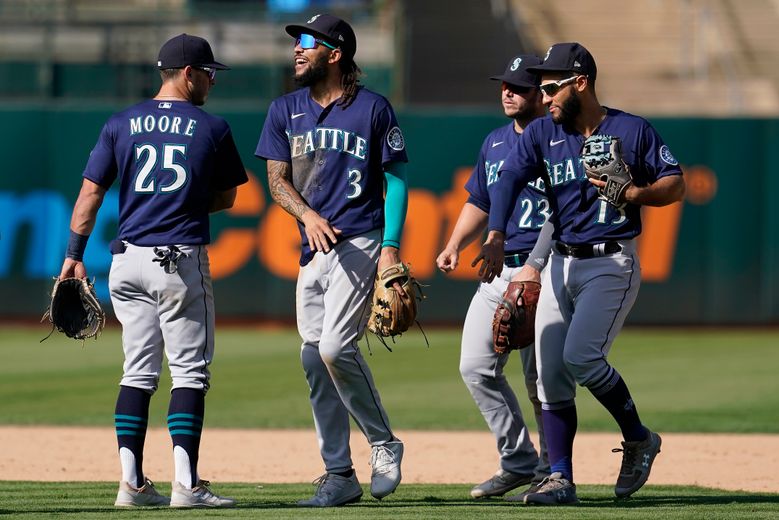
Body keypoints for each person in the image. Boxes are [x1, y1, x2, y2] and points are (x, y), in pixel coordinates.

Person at [477, 42, 685, 505]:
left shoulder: (630, 129)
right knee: (550, 374)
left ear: (581, 83)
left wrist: (634, 193)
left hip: (611, 262)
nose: (544, 96)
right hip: (560, 261)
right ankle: (560, 479)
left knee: (582, 358)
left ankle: (638, 438)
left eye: (551, 87)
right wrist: (495, 234)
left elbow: (676, 184)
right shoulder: (542, 135)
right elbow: (508, 177)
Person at [58, 33, 248, 508]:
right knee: (188, 373)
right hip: (178, 261)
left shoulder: (120, 123)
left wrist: (72, 256)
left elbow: (89, 196)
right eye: (208, 72)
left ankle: (132, 484)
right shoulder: (212, 127)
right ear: (187, 74)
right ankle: (187, 484)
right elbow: (227, 197)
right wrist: (183, 202)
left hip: (126, 261)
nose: (211, 80)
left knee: (137, 373)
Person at [255, 13, 409, 507]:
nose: (297, 49)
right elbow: (277, 180)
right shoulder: (285, 109)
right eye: (296, 42)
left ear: (335, 53)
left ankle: (384, 443)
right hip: (311, 247)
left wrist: (389, 249)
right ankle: (338, 474)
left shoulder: (373, 108)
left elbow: (397, 182)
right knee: (312, 358)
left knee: (336, 348)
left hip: (360, 240)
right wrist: (307, 215)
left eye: (306, 42)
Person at [435, 54, 551, 501]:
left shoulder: (559, 141)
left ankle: (553, 468)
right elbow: (479, 200)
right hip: (498, 268)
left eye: (518, 87)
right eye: (504, 84)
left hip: (545, 268)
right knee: (475, 366)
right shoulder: (496, 142)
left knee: (542, 382)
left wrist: (537, 266)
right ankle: (520, 460)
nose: (507, 92)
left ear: (541, 95)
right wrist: (453, 244)